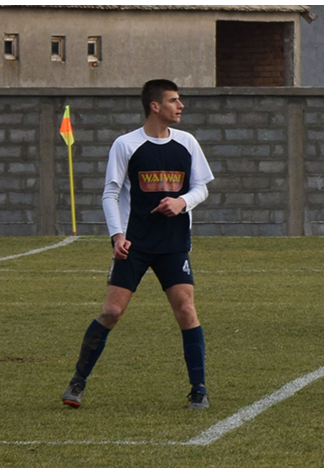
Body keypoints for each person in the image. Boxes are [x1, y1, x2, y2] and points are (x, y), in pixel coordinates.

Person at [60, 79, 215, 410]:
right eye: (174, 100)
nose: (181, 105)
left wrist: (182, 202)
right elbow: (110, 193)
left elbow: (202, 186)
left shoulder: (187, 143)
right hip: (135, 242)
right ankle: (77, 381)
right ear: (155, 106)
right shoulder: (125, 144)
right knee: (112, 311)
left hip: (173, 243)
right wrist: (117, 235)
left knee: (186, 309)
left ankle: (198, 389)